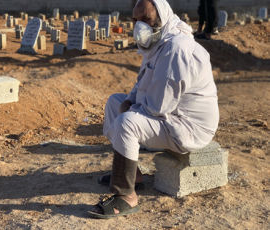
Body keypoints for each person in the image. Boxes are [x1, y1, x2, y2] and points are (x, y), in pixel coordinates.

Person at [88, 0, 219, 219]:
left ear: (162, 16)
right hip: (171, 116)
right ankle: (133, 175)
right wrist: (128, 101)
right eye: (136, 21)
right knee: (115, 102)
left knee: (126, 122)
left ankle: (125, 196)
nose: (140, 26)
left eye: (146, 20)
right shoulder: (159, 44)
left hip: (189, 127)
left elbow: (158, 106)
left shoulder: (177, 49)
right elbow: (142, 84)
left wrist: (130, 108)